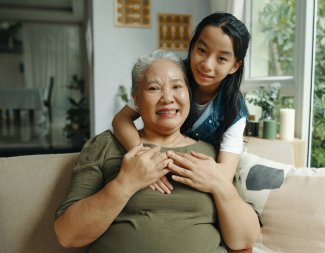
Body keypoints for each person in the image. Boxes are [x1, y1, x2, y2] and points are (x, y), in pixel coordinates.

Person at [54, 50, 261, 253]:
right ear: (135, 100)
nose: (167, 98)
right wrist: (125, 184)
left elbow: (243, 240)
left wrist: (220, 185)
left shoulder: (211, 152)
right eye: (154, 88)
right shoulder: (106, 145)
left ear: (188, 94)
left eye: (177, 86)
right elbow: (67, 235)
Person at [112, 12, 251, 194]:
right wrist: (143, 157)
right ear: (192, 45)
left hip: (195, 178)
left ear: (235, 66)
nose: (207, 65)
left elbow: (224, 174)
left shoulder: (235, 109)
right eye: (202, 50)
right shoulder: (171, 73)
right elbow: (121, 119)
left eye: (221, 59)